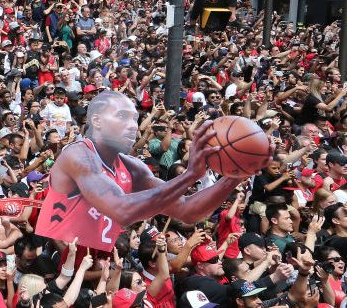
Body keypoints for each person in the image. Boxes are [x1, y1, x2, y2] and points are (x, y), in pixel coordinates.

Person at [35, 90, 261, 250]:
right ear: (97, 120)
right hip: (64, 266)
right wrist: (191, 174)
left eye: (135, 118)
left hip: (104, 263)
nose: (133, 125)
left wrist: (235, 175)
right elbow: (121, 210)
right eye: (123, 117)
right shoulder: (78, 155)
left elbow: (187, 210)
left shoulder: (132, 166)